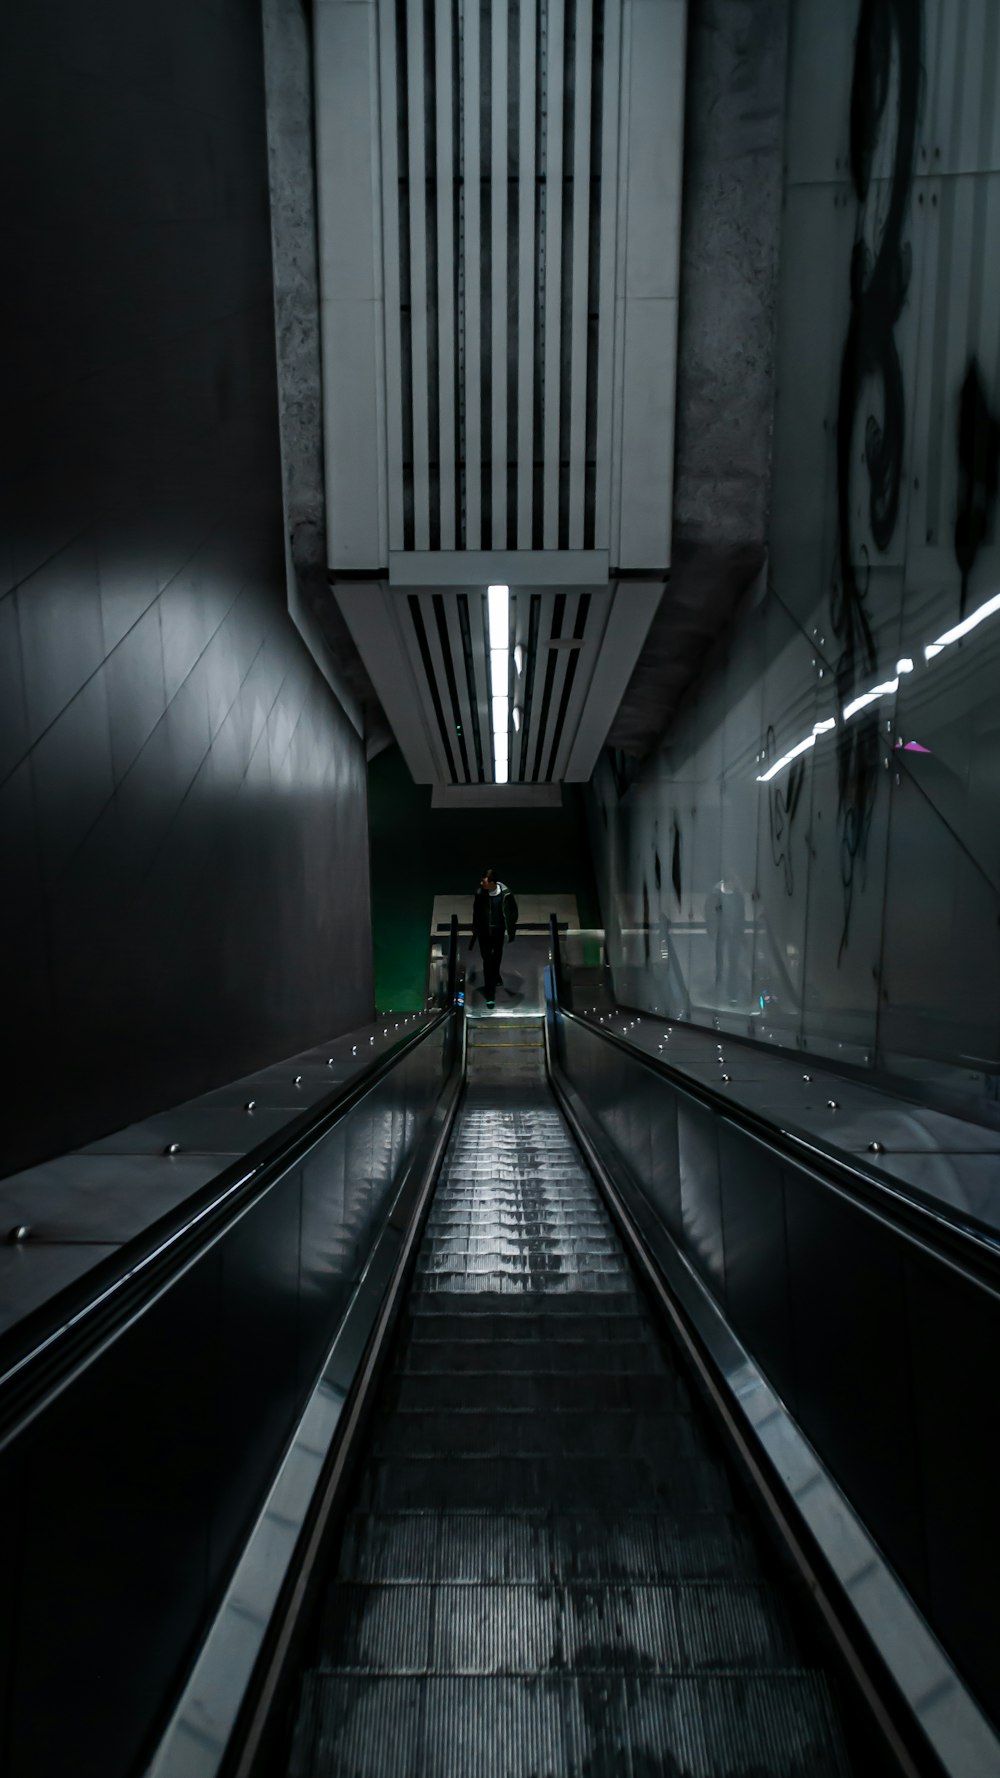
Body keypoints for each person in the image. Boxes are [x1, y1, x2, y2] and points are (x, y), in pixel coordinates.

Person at [470, 868, 518, 1008]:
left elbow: (513, 911)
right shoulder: (480, 894)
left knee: (497, 957)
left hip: (498, 931)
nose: (481, 883)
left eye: (484, 881)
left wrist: (510, 924)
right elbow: (476, 912)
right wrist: (475, 928)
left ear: (492, 883)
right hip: (484, 932)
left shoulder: (506, 894)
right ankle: (490, 994)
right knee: (487, 961)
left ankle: (496, 974)